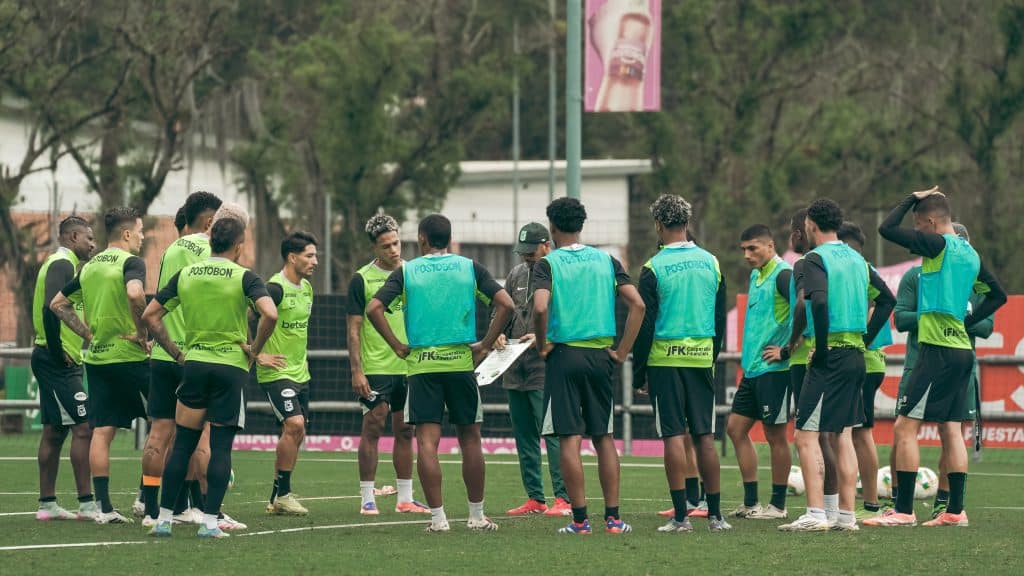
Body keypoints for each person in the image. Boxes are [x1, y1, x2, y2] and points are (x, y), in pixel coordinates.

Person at [867, 188, 1006, 527]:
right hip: (962, 351)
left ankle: (903, 511)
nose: (917, 231)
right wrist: (964, 321)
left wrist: (911, 197)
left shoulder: (939, 243)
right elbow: (997, 296)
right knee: (951, 430)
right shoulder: (970, 254)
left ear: (930, 222)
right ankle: (955, 512)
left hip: (936, 350)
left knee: (904, 428)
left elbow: (886, 228)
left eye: (918, 224)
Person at [367, 214, 514, 532]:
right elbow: (506, 305)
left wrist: (397, 345)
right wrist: (485, 345)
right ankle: (476, 516)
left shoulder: (407, 271)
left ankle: (438, 519)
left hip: (422, 367)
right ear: (449, 237)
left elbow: (373, 308)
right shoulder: (469, 267)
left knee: (427, 443)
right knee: (471, 439)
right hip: (461, 364)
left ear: (421, 239)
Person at [143, 216, 279, 539]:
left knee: (182, 446)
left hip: (195, 364)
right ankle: (209, 523)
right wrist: (254, 350)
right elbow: (270, 313)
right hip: (230, 368)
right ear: (239, 245)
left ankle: (163, 519)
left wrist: (177, 353)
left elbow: (150, 315)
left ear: (211, 241)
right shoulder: (245, 277)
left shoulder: (186, 274)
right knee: (220, 447)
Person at [779, 199, 894, 532]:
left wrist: (825, 347)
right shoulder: (857, 259)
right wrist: (868, 338)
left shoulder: (816, 258)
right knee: (843, 435)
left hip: (830, 356)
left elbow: (820, 301)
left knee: (805, 435)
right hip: (857, 355)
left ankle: (815, 514)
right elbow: (887, 298)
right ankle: (846, 516)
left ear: (811, 225)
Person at [533, 197, 646, 535]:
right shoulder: (607, 260)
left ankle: (580, 521)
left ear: (552, 227)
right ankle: (613, 519)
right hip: (600, 357)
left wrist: (542, 345)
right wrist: (622, 351)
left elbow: (540, 309)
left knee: (569, 439)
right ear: (581, 226)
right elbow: (637, 305)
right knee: (604, 437)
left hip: (564, 356)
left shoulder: (547, 264)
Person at [632, 194, 728, 533]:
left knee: (673, 434)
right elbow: (719, 319)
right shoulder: (712, 262)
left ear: (659, 225)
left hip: (664, 360)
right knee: (704, 435)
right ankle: (716, 516)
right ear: (688, 223)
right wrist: (710, 356)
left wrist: (639, 373)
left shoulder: (653, 268)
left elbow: (646, 323)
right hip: (701, 357)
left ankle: (681, 518)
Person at [50, 207, 151, 524]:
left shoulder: (90, 267)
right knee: (166, 427)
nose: (142, 236)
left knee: (102, 432)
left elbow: (58, 304)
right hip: (132, 358)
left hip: (98, 361)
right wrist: (143, 333)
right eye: (140, 230)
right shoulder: (131, 263)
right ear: (126, 234)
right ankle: (148, 501)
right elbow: (136, 295)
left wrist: (87, 334)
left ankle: (105, 509)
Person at [888, 222, 993, 518]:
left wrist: (954, 318)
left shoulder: (974, 279)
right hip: (919, 362)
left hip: (956, 364)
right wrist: (933, 314)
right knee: (904, 430)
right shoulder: (916, 275)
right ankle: (898, 498)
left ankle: (944, 504)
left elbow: (987, 326)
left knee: (952, 430)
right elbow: (901, 318)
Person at [140, 191, 222, 526]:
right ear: (209, 222)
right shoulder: (209, 250)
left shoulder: (172, 248)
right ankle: (200, 507)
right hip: (195, 354)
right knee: (199, 434)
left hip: (162, 352)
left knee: (159, 432)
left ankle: (150, 509)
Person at [347, 214, 429, 515]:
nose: (394, 250)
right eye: (386, 246)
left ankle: (404, 498)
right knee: (372, 427)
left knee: (406, 430)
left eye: (396, 243)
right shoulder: (361, 279)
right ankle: (367, 497)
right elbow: (354, 328)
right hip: (377, 366)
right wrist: (357, 370)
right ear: (374, 248)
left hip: (410, 366)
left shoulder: (414, 274)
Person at [501, 222, 571, 517]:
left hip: (545, 363)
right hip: (514, 366)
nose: (527, 257)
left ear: (547, 245)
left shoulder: (560, 272)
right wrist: (499, 335)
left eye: (531, 252)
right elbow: (501, 310)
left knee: (552, 433)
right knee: (524, 434)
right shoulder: (515, 274)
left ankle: (563, 498)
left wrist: (544, 339)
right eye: (523, 252)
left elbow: (568, 315)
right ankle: (535, 498)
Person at [32, 216, 97, 521]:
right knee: (83, 429)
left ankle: (47, 505)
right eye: (89, 238)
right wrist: (59, 354)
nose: (93, 245)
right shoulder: (62, 264)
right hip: (57, 360)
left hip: (55, 357)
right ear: (73, 237)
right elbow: (50, 308)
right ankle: (87, 504)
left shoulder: (62, 264)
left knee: (55, 430)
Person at [728, 224, 792, 520]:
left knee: (775, 436)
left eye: (752, 248)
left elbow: (807, 310)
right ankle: (751, 502)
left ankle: (778, 506)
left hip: (775, 370)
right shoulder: (756, 275)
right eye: (743, 249)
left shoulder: (784, 275)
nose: (747, 254)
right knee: (735, 429)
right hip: (753, 369)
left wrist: (787, 349)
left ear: (770, 245)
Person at [837, 221, 892, 518]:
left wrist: (864, 339)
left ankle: (867, 501)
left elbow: (880, 304)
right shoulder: (866, 266)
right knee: (861, 431)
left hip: (863, 361)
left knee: (858, 433)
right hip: (872, 362)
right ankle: (868, 500)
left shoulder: (855, 267)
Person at [262, 232, 319, 516]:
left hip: (301, 373)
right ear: (291, 257)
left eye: (315, 255)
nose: (315, 261)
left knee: (296, 432)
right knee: (294, 425)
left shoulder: (307, 288)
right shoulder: (275, 288)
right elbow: (246, 316)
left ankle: (276, 496)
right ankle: (284, 494)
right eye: (309, 256)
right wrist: (256, 352)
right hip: (276, 373)